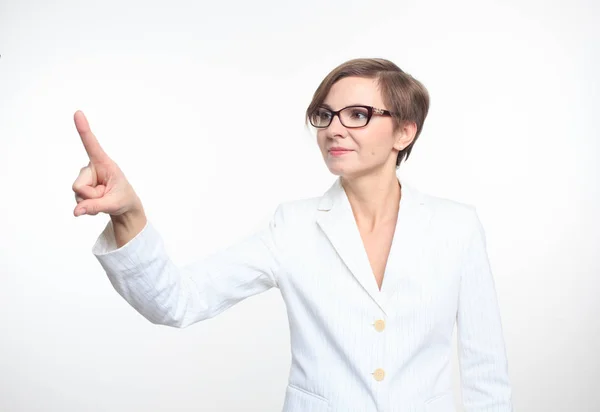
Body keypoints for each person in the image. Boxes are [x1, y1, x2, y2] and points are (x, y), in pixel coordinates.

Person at [72, 58, 513, 412]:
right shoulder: (292, 226)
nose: (334, 129)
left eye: (358, 114)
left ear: (404, 131)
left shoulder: (457, 226)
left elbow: (486, 372)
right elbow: (179, 301)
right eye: (325, 115)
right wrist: (129, 214)